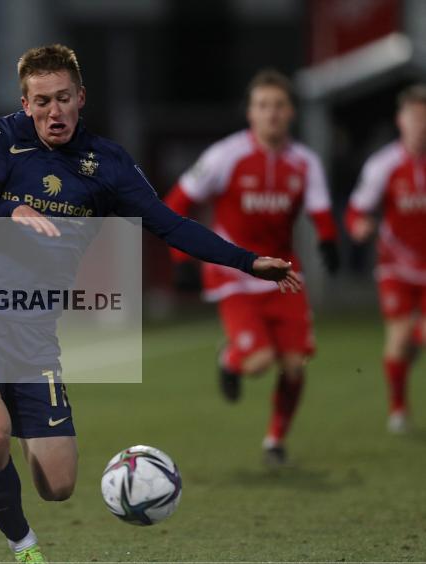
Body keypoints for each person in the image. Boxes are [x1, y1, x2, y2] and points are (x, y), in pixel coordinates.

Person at [0, 45, 299, 564]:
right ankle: (27, 552)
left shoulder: (108, 165)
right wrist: (13, 210)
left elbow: (170, 224)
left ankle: (11, 425)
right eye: (40, 102)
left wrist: (247, 261)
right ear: (24, 102)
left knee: (57, 486)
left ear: (81, 98)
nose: (53, 112)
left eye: (62, 99)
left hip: (33, 338)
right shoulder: (4, 137)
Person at [164, 69, 339, 467]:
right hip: (236, 275)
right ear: (250, 113)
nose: (272, 114)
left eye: (279, 105)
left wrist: (329, 239)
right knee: (259, 364)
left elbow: (321, 211)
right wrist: (181, 258)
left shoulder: (304, 162)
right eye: (263, 106)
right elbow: (175, 202)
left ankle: (275, 441)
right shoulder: (224, 156)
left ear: (291, 111)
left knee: (295, 366)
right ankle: (230, 358)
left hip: (285, 275)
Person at [346, 83, 426, 434]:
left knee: (414, 339)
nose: (421, 123)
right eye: (415, 116)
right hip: (396, 266)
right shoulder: (384, 164)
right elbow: (355, 210)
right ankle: (398, 409)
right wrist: (359, 226)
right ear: (401, 120)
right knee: (399, 338)